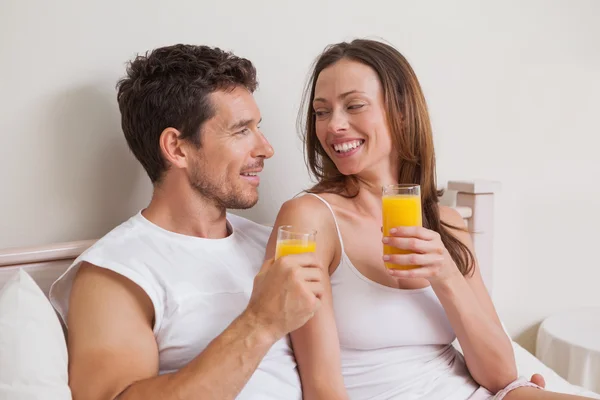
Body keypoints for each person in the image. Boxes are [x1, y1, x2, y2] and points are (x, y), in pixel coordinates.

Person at [265, 38, 591, 400]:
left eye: (354, 105)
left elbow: (500, 374)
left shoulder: (447, 222)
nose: (334, 125)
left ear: (401, 112)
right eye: (322, 112)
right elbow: (322, 389)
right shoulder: (311, 218)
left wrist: (445, 273)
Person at [48, 44, 326, 400]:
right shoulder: (116, 272)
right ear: (177, 148)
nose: (265, 148)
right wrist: (260, 322)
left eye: (258, 128)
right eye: (241, 131)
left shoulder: (270, 244)